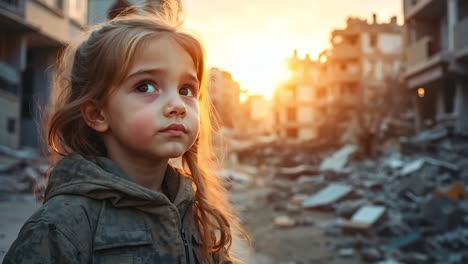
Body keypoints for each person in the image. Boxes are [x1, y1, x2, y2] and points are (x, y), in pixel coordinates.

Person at [3, 4, 247, 264]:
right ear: (97, 114)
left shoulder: (195, 213)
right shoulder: (60, 229)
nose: (177, 104)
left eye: (186, 90)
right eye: (146, 86)